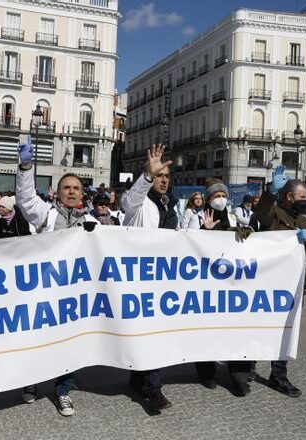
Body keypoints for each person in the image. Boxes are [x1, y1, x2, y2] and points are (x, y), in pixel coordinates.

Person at [15, 138, 97, 416]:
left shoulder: (93, 222)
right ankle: (31, 381)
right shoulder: (46, 214)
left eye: (76, 188)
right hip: (44, 290)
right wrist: (26, 167)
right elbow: (25, 199)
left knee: (67, 346)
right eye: (67, 188)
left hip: (73, 296)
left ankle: (63, 391)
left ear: (82, 194)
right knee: (37, 339)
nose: (72, 192)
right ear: (57, 193)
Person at [253, 165, 306, 398]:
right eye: (302, 197)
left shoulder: (305, 220)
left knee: (286, 331)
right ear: (289, 197)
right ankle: (244, 367)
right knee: (258, 327)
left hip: (293, 286)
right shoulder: (275, 214)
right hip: (268, 283)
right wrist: (270, 192)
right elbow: (262, 214)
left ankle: (278, 375)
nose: (305, 201)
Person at [122, 144, 176, 413]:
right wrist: (146, 175)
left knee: (150, 335)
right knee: (149, 336)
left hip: (163, 280)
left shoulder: (171, 205)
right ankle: (153, 391)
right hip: (139, 280)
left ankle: (136, 379)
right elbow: (128, 201)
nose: (163, 180)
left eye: (166, 176)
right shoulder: (140, 204)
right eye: (159, 175)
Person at [194, 181, 254, 396]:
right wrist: (204, 231)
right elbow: (189, 247)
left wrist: (246, 234)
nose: (219, 198)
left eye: (222, 194)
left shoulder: (233, 217)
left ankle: (239, 376)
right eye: (215, 195)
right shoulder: (198, 217)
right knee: (206, 330)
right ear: (208, 199)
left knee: (236, 330)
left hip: (231, 283)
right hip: (207, 284)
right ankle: (206, 371)